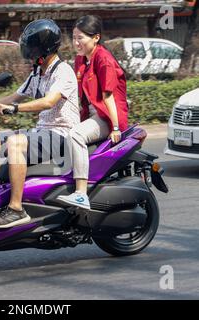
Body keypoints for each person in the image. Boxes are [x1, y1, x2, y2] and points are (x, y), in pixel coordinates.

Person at [0, 19, 80, 228]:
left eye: (33, 49)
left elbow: (49, 101)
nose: (30, 54)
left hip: (62, 135)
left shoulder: (63, 72)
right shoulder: (37, 72)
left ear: (44, 49)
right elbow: (14, 97)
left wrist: (15, 109)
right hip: (42, 132)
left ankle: (16, 209)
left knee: (16, 143)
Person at [57, 15, 129, 209]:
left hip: (107, 116)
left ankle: (81, 193)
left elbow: (109, 97)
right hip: (90, 115)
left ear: (95, 38)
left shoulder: (104, 59)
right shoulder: (81, 59)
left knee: (76, 135)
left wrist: (115, 127)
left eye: (81, 37)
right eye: (73, 37)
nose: (76, 42)